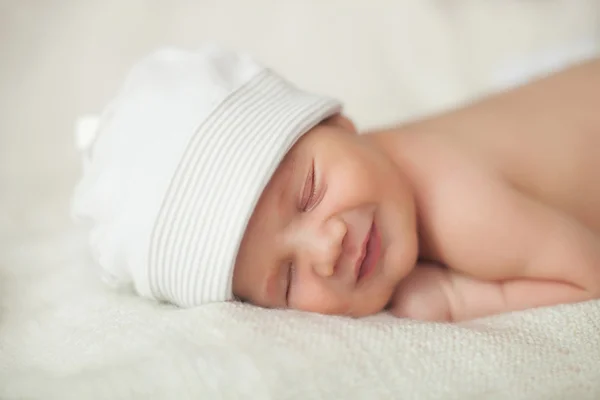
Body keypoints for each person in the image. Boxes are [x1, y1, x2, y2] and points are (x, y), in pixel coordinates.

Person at [73, 45, 600, 322]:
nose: (326, 249)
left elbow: (588, 274)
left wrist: (455, 297)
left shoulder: (462, 211)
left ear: (338, 123)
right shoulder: (374, 158)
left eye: (307, 194)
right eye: (285, 281)